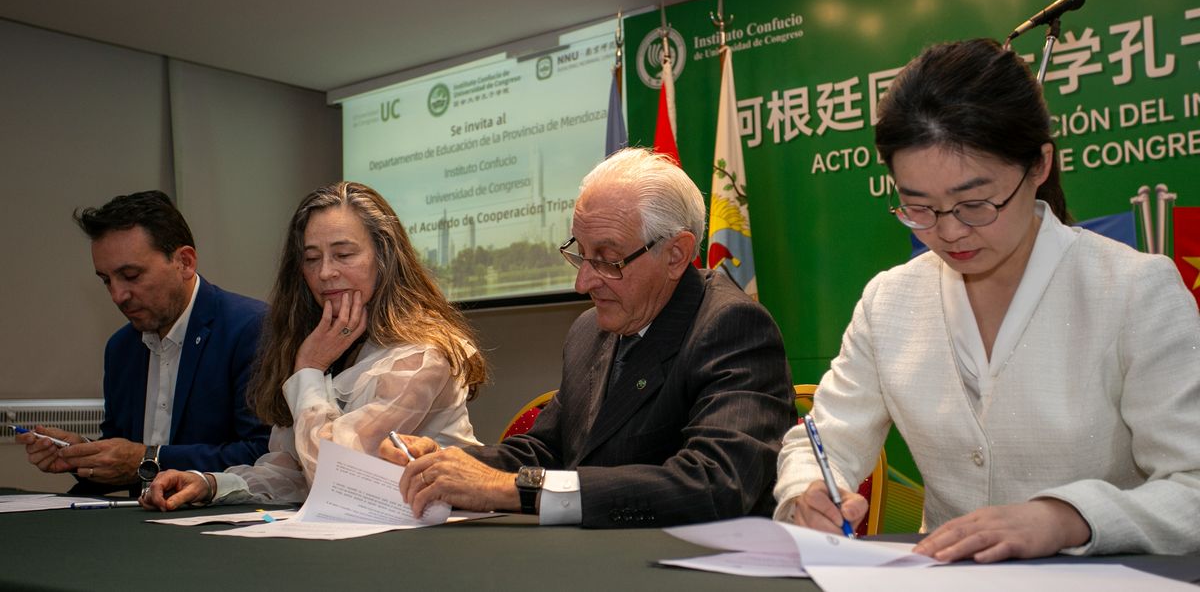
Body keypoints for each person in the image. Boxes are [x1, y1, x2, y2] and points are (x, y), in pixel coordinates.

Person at [773, 38, 1200, 561]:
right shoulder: (891, 301)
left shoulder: (1133, 290)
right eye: (919, 207)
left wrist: (1068, 517)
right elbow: (822, 441)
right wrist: (809, 491)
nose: (949, 232)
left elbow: (1192, 486)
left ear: (1039, 165)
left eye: (975, 202)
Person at [381, 148, 794, 528]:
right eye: (580, 253)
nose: (583, 282)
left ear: (676, 254)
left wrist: (514, 491)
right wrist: (447, 466)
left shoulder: (732, 327)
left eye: (608, 260)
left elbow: (715, 484)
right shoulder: (590, 330)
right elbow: (547, 451)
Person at [141, 181, 486, 510]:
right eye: (311, 258)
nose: (324, 273)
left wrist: (308, 369)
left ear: (385, 259)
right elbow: (295, 471)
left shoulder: (422, 356)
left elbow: (335, 474)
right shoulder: (324, 343)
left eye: (343, 254)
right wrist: (212, 483)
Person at [18, 190, 269, 495]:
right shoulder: (121, 348)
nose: (117, 295)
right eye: (106, 280)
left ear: (185, 262)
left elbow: (264, 458)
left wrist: (148, 459)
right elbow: (123, 455)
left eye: (131, 275)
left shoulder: (251, 328)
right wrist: (81, 455)